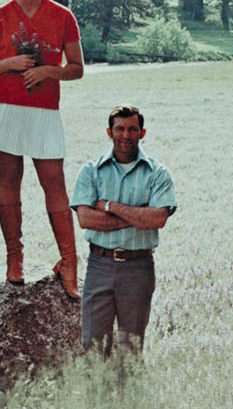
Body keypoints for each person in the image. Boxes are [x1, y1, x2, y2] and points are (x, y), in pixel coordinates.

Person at [0, 0, 85, 298]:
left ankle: (69, 263)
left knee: (54, 184)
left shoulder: (63, 15)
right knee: (9, 181)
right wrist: (10, 64)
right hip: (4, 107)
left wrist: (48, 70)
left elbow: (77, 68)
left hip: (43, 110)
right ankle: (14, 259)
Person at [72, 105, 176, 355]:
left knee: (131, 348)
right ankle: (97, 394)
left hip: (138, 268)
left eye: (132, 129)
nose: (126, 135)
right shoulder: (91, 171)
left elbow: (158, 218)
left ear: (143, 132)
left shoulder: (158, 173)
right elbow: (86, 219)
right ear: (109, 132)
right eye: (120, 129)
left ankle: (128, 395)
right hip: (99, 265)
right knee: (94, 347)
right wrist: (137, 215)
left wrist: (110, 207)